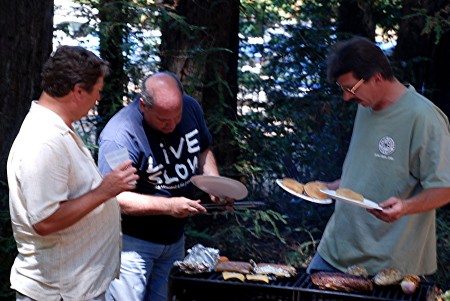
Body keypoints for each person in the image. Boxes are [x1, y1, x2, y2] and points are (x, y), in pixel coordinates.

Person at [307, 36, 450, 276]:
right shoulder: (366, 107)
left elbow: (445, 188)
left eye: (350, 88)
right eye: (343, 89)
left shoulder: (424, 118)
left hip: (388, 264)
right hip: (335, 249)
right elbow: (371, 172)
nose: (346, 98)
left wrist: (405, 206)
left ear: (377, 77)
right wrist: (331, 187)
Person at [7, 45, 139, 301]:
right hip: (57, 292)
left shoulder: (58, 128)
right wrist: (105, 191)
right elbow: (45, 221)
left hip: (75, 288)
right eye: (97, 92)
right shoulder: (44, 140)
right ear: (78, 91)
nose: (98, 99)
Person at [98, 71, 227, 301]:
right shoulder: (119, 136)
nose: (172, 125)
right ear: (143, 106)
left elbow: (203, 149)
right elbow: (115, 198)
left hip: (174, 240)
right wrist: (169, 206)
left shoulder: (190, 108)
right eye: (163, 119)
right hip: (131, 245)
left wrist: (213, 182)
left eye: (176, 116)